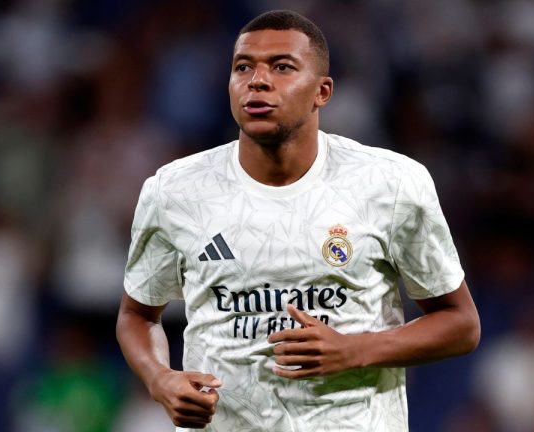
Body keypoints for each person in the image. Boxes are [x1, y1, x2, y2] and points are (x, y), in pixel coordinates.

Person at [116, 9, 480, 432]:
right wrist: (162, 380)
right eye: (243, 67)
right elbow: (137, 315)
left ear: (322, 91)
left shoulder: (392, 183)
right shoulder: (175, 191)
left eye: (282, 67)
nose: (258, 80)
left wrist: (355, 350)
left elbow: (461, 324)